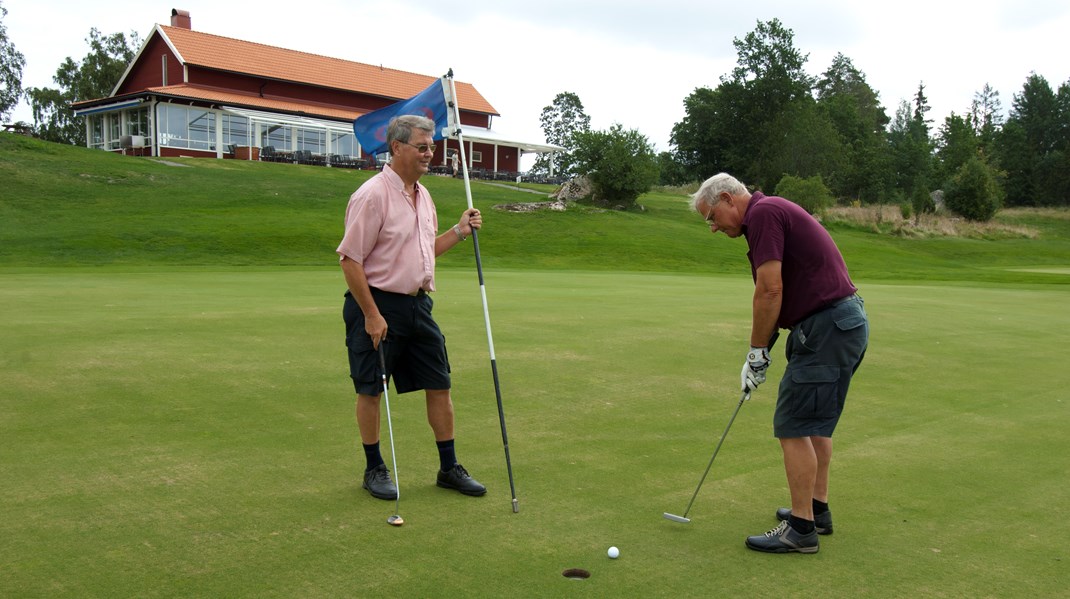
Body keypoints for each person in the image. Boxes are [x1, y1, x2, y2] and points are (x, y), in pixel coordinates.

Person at [690, 173, 869, 554]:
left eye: (712, 217)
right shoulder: (770, 213)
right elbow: (778, 294)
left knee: (794, 425)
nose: (713, 228)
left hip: (827, 327)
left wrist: (756, 351)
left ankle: (801, 529)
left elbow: (770, 289)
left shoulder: (764, 214)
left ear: (727, 198)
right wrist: (762, 347)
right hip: (837, 325)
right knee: (815, 422)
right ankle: (816, 510)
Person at [337, 114, 486, 501]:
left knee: (440, 384)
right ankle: (374, 469)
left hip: (419, 306)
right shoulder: (372, 194)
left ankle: (448, 467)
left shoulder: (425, 195)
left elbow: (423, 253)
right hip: (377, 304)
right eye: (422, 146)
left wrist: (458, 232)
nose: (430, 153)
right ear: (397, 147)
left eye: (432, 146)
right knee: (371, 390)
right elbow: (350, 260)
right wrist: (371, 314)